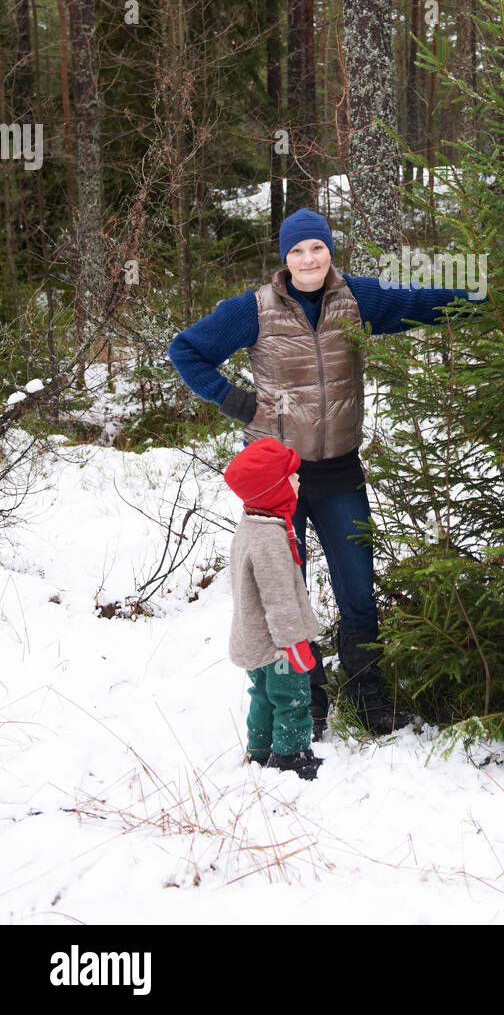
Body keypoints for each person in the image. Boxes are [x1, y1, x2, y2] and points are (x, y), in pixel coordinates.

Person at [168, 207, 484, 737]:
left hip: (339, 470)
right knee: (287, 592)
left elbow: (423, 303)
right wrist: (242, 405)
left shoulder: (357, 298)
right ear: (285, 258)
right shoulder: (254, 310)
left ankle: (366, 700)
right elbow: (187, 350)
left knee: (357, 586)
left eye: (316, 248)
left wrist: (494, 297)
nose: (308, 259)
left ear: (329, 251)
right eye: (296, 251)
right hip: (278, 482)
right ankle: (306, 703)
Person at [223, 437, 323, 778]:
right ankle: (291, 757)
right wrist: (294, 645)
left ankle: (260, 751)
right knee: (290, 698)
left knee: (263, 696)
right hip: (278, 646)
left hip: (253, 641)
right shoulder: (269, 540)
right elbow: (278, 601)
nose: (298, 481)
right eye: (291, 477)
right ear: (273, 490)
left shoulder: (251, 525)